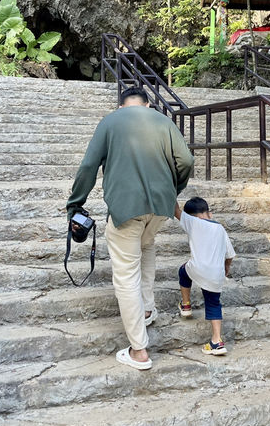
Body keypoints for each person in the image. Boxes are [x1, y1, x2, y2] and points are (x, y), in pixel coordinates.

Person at [67, 86, 194, 370]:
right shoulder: (163, 121)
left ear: (122, 107)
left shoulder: (111, 121)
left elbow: (88, 165)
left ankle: (139, 350)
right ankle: (147, 308)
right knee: (146, 245)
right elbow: (186, 160)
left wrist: (75, 204)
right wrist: (174, 190)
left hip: (126, 209)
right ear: (148, 105)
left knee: (125, 276)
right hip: (160, 208)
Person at [174, 196, 235, 356]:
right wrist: (226, 268)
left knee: (183, 271)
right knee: (213, 303)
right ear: (210, 213)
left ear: (190, 216)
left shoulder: (193, 222)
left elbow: (175, 210)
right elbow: (229, 255)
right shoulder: (220, 229)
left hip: (197, 268)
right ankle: (217, 341)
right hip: (216, 273)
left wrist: (171, 188)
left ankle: (186, 305)